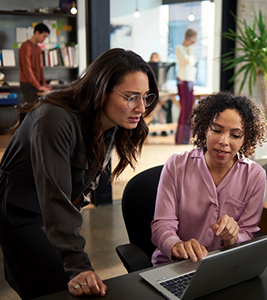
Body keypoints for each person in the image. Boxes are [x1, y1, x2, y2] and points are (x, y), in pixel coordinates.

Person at [0, 48, 158, 299]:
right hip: (22, 212)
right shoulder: (54, 117)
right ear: (101, 90)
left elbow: (79, 188)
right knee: (60, 288)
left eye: (145, 97)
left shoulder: (110, 122)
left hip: (54, 213)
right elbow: (55, 196)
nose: (141, 108)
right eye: (130, 97)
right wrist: (78, 265)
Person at [151, 91, 267, 266]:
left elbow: (248, 234)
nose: (224, 141)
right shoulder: (176, 165)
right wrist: (177, 246)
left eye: (235, 135)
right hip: (176, 265)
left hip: (222, 267)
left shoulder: (255, 175)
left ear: (245, 138)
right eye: (216, 130)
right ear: (205, 128)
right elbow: (162, 225)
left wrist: (232, 238)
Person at [18, 23, 52, 103]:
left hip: (37, 83)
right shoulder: (26, 46)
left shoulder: (38, 48)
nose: (44, 39)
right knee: (29, 108)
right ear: (37, 33)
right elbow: (27, 69)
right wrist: (38, 86)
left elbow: (40, 67)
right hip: (27, 83)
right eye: (44, 36)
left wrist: (43, 83)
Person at [175, 28, 197, 144]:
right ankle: (181, 138)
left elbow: (192, 61)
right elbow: (188, 61)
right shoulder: (180, 48)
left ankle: (186, 138)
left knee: (189, 110)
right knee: (185, 110)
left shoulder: (190, 49)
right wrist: (188, 47)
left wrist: (190, 47)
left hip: (190, 80)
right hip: (183, 80)